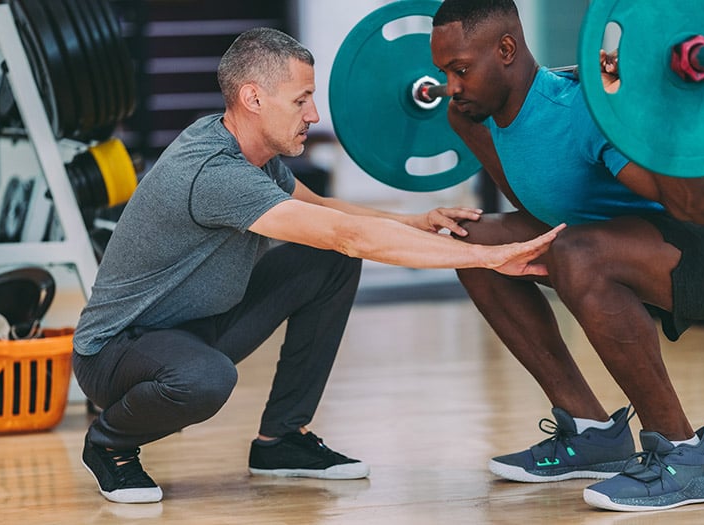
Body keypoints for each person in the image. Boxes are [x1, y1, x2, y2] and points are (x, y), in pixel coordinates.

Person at [72, 26, 564, 504]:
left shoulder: (250, 149)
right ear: (253, 98)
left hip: (197, 325)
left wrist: (417, 221)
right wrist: (487, 257)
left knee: (328, 261)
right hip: (118, 352)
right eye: (300, 99)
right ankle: (110, 443)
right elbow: (347, 235)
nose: (313, 113)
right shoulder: (215, 172)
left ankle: (281, 439)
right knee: (206, 378)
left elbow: (324, 210)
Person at [430, 0, 704, 513]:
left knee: (578, 254)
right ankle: (592, 434)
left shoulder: (582, 111)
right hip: (651, 239)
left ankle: (685, 456)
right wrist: (470, 127)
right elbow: (537, 205)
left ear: (506, 49)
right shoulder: (473, 117)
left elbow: (699, 209)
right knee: (468, 243)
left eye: (460, 70)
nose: (451, 86)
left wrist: (664, 101)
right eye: (444, 72)